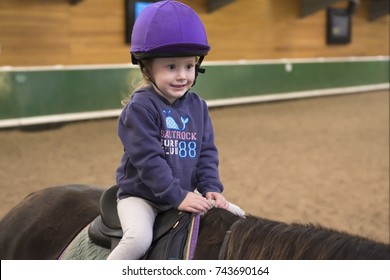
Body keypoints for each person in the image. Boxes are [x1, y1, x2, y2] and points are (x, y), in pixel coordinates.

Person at [107, 0, 230, 260]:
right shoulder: (141, 108)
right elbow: (149, 160)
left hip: (183, 192)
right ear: (147, 68)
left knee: (236, 218)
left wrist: (210, 187)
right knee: (138, 241)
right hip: (143, 197)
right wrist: (176, 195)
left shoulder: (198, 107)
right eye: (171, 67)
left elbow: (206, 152)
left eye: (189, 66)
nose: (182, 75)